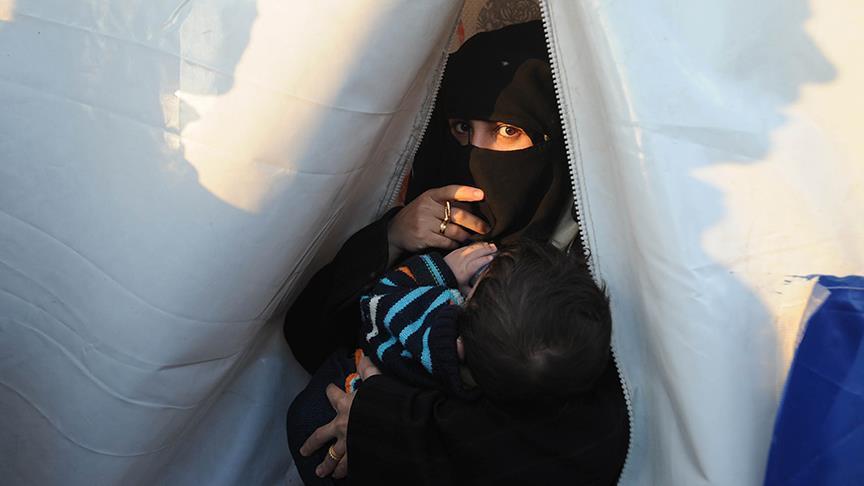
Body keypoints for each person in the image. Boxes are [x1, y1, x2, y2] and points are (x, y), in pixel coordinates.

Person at [284, 20, 629, 485]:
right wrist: (391, 237)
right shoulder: (431, 226)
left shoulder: (586, 265)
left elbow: (573, 445)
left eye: (507, 130)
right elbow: (308, 335)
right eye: (462, 128)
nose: (476, 156)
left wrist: (380, 421)